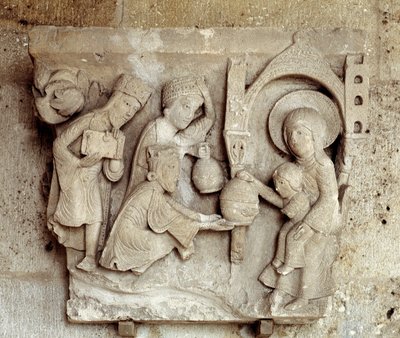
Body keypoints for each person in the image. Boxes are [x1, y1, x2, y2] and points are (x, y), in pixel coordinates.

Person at [51, 74, 151, 272]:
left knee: (96, 214)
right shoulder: (90, 120)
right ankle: (75, 246)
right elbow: (59, 144)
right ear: (115, 99)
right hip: (75, 177)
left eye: (133, 111)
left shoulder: (117, 135)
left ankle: (89, 257)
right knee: (78, 212)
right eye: (127, 104)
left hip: (94, 180)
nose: (129, 113)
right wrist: (78, 163)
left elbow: (114, 174)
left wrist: (116, 153)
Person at [100, 145, 231, 275]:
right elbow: (175, 220)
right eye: (172, 168)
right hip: (127, 239)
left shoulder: (152, 188)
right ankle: (140, 265)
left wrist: (207, 218)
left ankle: (178, 249)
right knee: (171, 236)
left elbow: (177, 209)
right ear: (159, 171)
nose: (177, 176)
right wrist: (209, 226)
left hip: (127, 236)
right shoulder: (152, 192)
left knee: (176, 232)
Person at [258, 107, 340, 311]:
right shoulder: (295, 167)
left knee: (309, 250)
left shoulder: (323, 165)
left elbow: (329, 197)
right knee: (288, 237)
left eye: (300, 132)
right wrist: (256, 185)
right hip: (300, 217)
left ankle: (305, 296)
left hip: (322, 220)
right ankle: (282, 290)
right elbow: (285, 199)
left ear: (315, 136)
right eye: (289, 133)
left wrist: (310, 225)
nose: (293, 138)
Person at [125, 75, 216, 196]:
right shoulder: (155, 130)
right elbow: (145, 171)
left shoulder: (178, 136)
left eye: (194, 111)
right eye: (186, 107)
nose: (190, 115)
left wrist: (206, 94)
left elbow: (209, 119)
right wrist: (189, 150)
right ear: (169, 107)